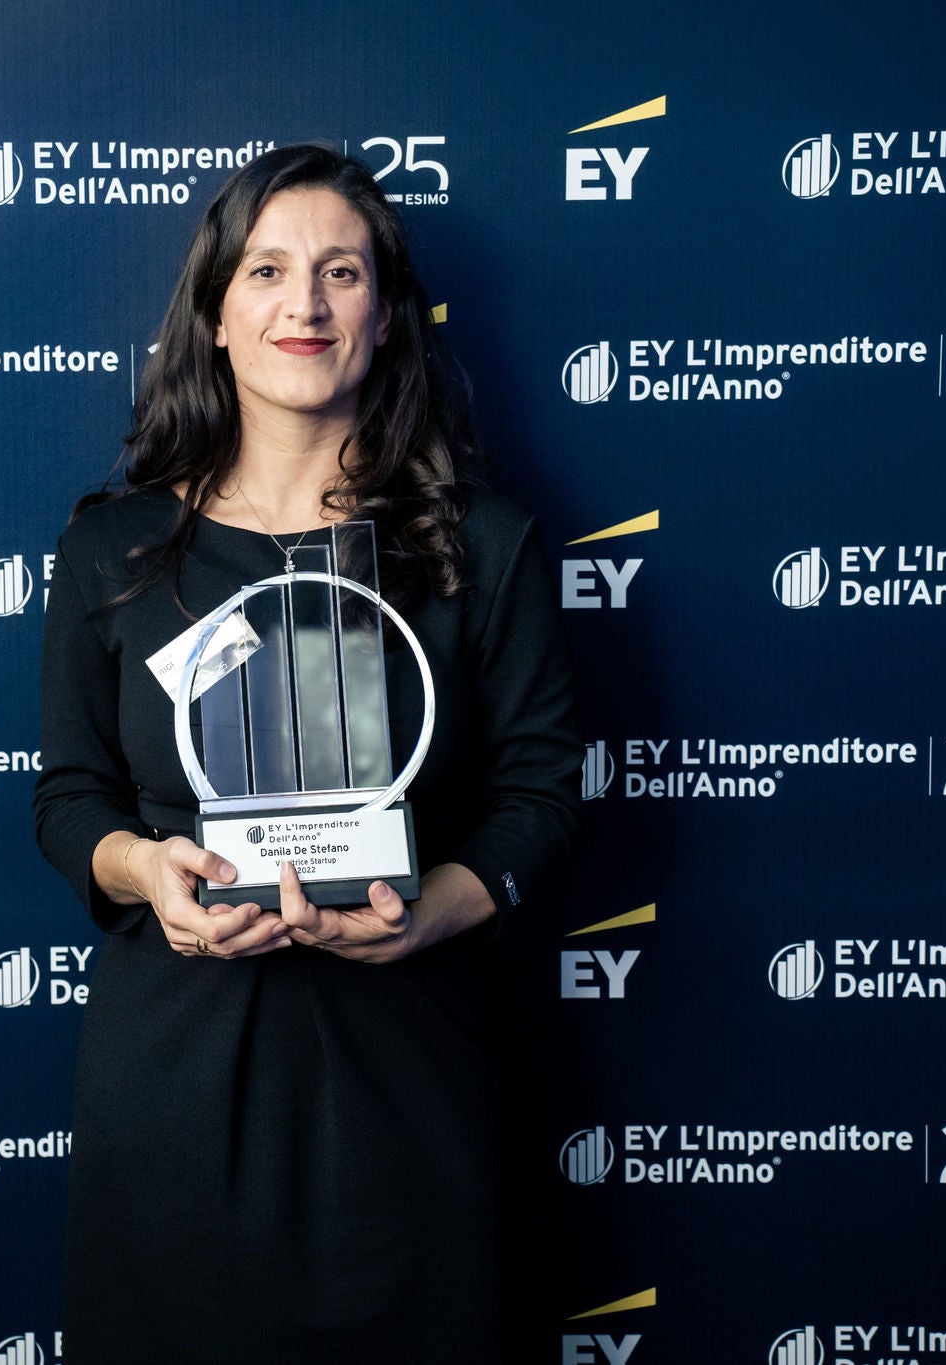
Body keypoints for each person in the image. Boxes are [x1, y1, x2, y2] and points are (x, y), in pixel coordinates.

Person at [32, 143, 579, 1363]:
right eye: (268, 270)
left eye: (342, 271)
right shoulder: (112, 551)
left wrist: (435, 910)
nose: (306, 304)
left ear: (384, 317)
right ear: (214, 315)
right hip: (179, 1069)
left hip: (411, 1072)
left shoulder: (482, 545)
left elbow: (541, 793)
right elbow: (70, 797)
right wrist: (144, 871)